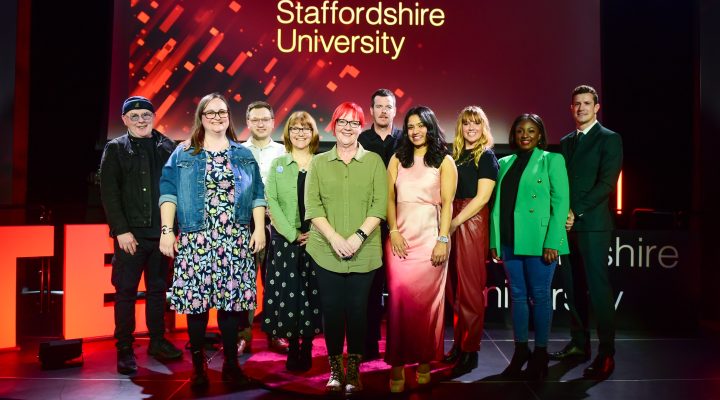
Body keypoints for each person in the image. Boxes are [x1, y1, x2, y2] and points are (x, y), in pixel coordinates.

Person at [159, 93, 266, 389]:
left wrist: (258, 229)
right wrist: (167, 230)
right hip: (197, 239)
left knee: (231, 307)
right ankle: (198, 369)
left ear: (229, 117)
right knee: (197, 307)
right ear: (201, 117)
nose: (217, 117)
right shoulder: (183, 153)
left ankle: (231, 365)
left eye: (222, 112)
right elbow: (168, 192)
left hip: (234, 238)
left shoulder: (243, 154)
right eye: (211, 112)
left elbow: (257, 193)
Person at [305, 102, 388, 393]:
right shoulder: (318, 162)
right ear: (333, 125)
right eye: (342, 121)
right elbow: (313, 206)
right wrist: (335, 238)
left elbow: (380, 205)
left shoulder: (374, 161)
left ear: (361, 127)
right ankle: (335, 371)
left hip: (364, 251)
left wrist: (357, 237)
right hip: (325, 250)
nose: (348, 127)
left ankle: (353, 371)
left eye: (354, 123)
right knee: (331, 310)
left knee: (357, 310)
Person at [100, 96, 182, 375]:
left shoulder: (168, 146)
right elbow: (109, 193)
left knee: (157, 290)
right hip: (130, 236)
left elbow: (176, 190)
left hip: (162, 235)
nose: (140, 120)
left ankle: (157, 341)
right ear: (124, 119)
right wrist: (121, 230)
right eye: (134, 116)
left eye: (145, 115)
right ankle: (124, 348)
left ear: (153, 117)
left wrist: (173, 230)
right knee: (125, 291)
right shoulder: (115, 148)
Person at [550, 85, 623, 380]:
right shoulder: (566, 141)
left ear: (596, 107)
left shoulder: (609, 139)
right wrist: (561, 215)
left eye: (586, 103)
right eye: (577, 104)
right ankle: (579, 345)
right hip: (566, 227)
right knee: (573, 288)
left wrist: (575, 211)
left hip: (592, 225)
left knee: (598, 289)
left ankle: (606, 353)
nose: (581, 108)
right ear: (571, 108)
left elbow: (606, 184)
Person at [489, 113, 570, 380]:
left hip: (540, 241)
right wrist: (495, 240)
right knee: (518, 296)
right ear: (513, 135)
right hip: (510, 240)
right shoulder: (504, 162)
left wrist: (553, 241)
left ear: (540, 135)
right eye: (520, 130)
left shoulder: (552, 160)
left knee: (541, 296)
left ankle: (541, 353)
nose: (525, 135)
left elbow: (561, 203)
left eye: (531, 130)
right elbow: (497, 206)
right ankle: (521, 350)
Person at [385, 106, 457, 393]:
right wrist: (393, 231)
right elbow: (389, 200)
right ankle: (397, 366)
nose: (415, 131)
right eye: (410, 126)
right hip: (400, 241)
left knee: (428, 308)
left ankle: (425, 363)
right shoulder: (397, 159)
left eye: (420, 125)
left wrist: (443, 239)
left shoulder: (444, 161)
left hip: (430, 241)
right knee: (398, 306)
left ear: (430, 127)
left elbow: (448, 205)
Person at [262, 111, 322, 372]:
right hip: (285, 239)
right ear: (288, 133)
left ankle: (307, 345)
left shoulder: (322, 163)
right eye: (295, 128)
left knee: (310, 294)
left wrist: (316, 232)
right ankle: (293, 345)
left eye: (305, 128)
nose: (300, 133)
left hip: (316, 238)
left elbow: (328, 200)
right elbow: (271, 201)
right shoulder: (278, 164)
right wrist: (291, 233)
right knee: (289, 295)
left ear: (313, 133)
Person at [444, 106, 498, 376]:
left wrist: (455, 222)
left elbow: (482, 198)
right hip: (452, 216)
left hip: (471, 221)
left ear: (483, 126)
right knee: (455, 289)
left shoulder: (486, 156)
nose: (471, 128)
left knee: (470, 290)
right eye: (466, 123)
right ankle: (459, 344)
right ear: (460, 127)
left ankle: (470, 351)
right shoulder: (454, 155)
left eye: (476, 123)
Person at [241, 101, 288, 354]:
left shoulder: (284, 152)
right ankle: (243, 335)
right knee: (245, 281)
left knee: (275, 281)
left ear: (273, 122)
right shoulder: (237, 151)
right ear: (248, 123)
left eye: (265, 119)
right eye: (255, 119)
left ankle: (276, 332)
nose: (260, 124)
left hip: (276, 225)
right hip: (245, 225)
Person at [358, 88, 402, 360]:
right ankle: (369, 343)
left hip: (401, 221)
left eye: (388, 106)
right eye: (379, 106)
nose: (384, 111)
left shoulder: (406, 139)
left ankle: (400, 344)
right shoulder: (361, 140)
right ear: (371, 111)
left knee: (399, 288)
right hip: (369, 222)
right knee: (371, 286)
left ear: (395, 110)